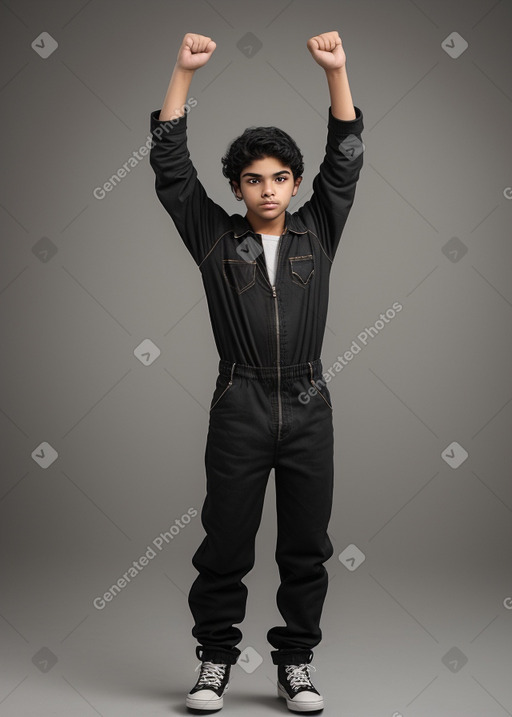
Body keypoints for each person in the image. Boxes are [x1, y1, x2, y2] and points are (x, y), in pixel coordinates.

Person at [149, 30, 364, 713]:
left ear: (294, 184)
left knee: (307, 545)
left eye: (278, 178)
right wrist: (182, 72)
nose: (267, 189)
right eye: (253, 179)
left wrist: (338, 72)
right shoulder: (215, 237)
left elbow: (346, 159)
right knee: (226, 540)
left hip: (308, 401)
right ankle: (214, 659)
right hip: (239, 400)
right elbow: (171, 168)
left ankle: (294, 663)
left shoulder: (318, 230)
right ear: (236, 188)